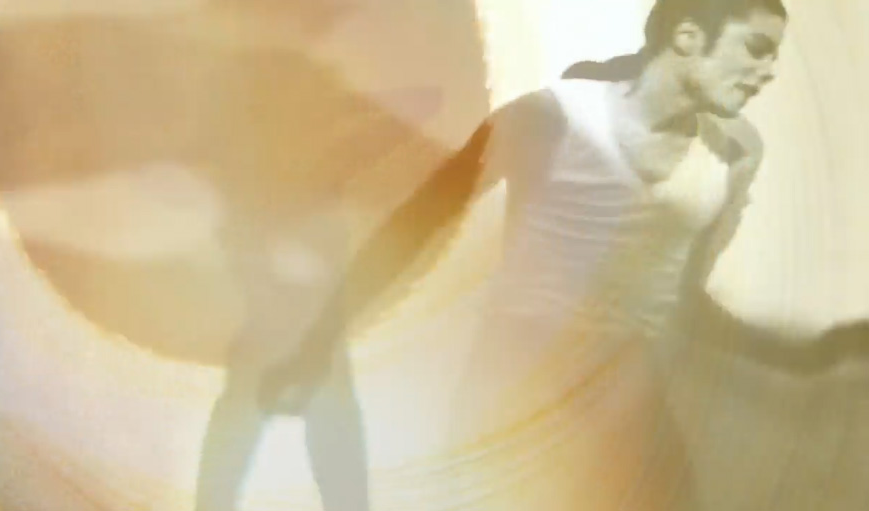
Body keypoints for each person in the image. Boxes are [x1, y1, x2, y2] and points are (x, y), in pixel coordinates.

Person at [284, 0, 788, 509]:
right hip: (516, 385)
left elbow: (686, 293)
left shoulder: (737, 155)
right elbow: (422, 221)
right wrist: (326, 331)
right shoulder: (551, 116)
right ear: (687, 37)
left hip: (622, 400)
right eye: (756, 48)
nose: (768, 71)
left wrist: (776, 358)